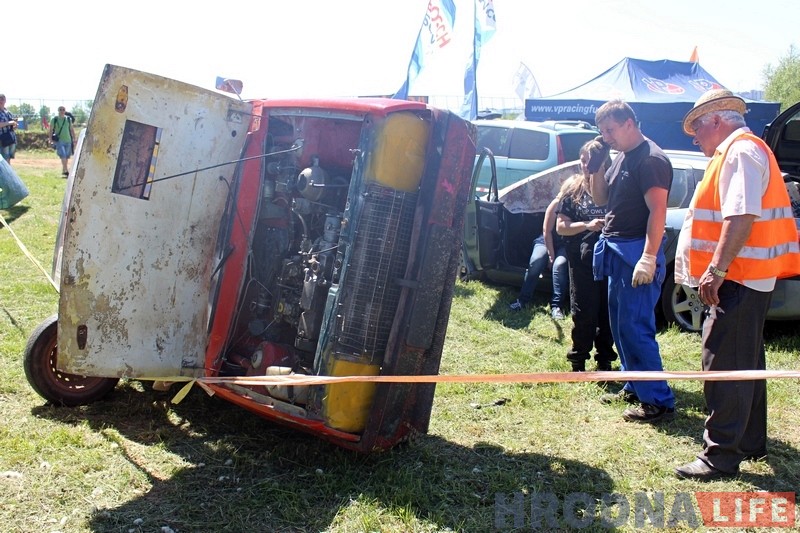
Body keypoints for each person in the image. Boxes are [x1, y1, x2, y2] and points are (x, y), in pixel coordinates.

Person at [673, 89, 800, 480]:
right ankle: (748, 442)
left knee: (723, 363)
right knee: (745, 361)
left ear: (716, 120)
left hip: (739, 278)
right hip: (747, 277)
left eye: (697, 128)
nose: (695, 137)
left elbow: (740, 216)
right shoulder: (742, 151)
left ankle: (720, 456)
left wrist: (716, 270)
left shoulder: (739, 152)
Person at [590, 100, 676, 422]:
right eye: (602, 132)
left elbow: (658, 211)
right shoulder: (621, 157)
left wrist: (649, 258)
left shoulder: (651, 159)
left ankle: (658, 402)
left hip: (637, 252)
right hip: (617, 250)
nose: (606, 137)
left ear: (629, 123)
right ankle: (634, 384)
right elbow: (601, 199)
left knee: (636, 327)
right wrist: (596, 166)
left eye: (610, 130)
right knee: (619, 325)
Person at [557, 139, 617, 372]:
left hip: (610, 257)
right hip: (582, 258)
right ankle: (578, 359)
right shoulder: (573, 189)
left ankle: (604, 360)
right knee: (583, 309)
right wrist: (587, 224)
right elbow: (561, 227)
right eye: (583, 161)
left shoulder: (613, 186)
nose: (585, 166)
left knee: (607, 310)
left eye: (590, 162)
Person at [509, 194, 568, 320]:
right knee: (536, 261)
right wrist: (551, 256)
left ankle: (557, 306)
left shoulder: (578, 207)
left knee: (560, 265)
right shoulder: (556, 204)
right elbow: (547, 232)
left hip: (565, 244)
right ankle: (522, 300)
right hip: (545, 241)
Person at [51, 106, 76, 177]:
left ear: (65, 111)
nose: (62, 111)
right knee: (63, 155)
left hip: (68, 140)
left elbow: (71, 129)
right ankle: (66, 170)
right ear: (58, 111)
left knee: (67, 156)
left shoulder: (68, 119)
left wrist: (74, 138)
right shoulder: (54, 119)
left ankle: (64, 170)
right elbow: (50, 129)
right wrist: (50, 139)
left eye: (63, 110)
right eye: (60, 110)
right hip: (59, 141)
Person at [0, 94, 18, 164]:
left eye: (3, 99)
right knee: (5, 157)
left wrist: (15, 124)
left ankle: (7, 172)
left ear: (5, 101)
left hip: (11, 137)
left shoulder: (8, 112)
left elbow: (13, 124)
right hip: (2, 138)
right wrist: (10, 122)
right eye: (0, 99)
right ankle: (5, 173)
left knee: (9, 157)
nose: (1, 100)